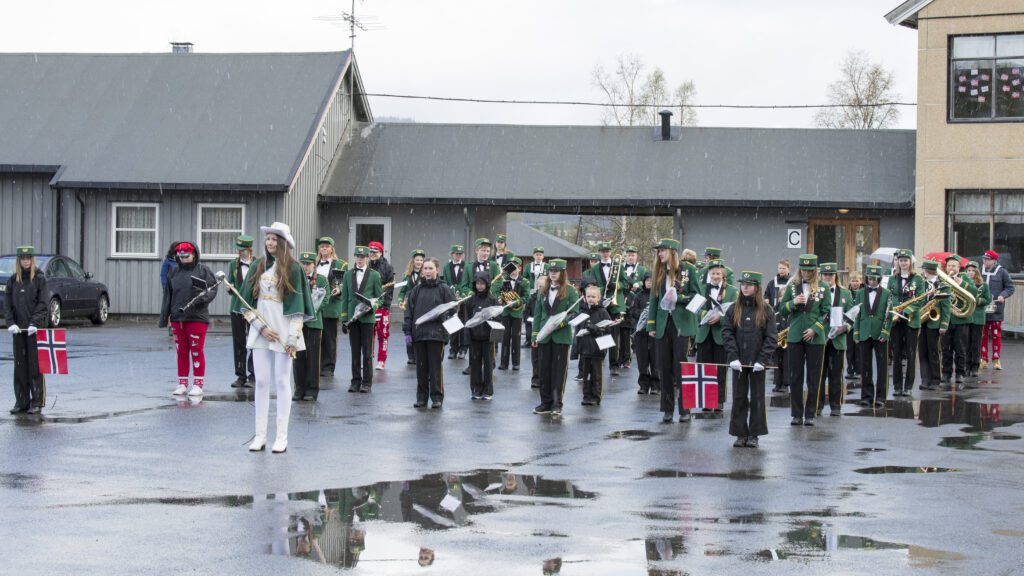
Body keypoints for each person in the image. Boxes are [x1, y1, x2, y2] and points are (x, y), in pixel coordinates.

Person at [239, 222, 316, 453]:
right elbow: (244, 305)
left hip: (284, 333)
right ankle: (260, 435)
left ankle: (281, 436)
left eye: (274, 239)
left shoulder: (293, 269)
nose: (270, 242)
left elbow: (298, 309)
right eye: (268, 238)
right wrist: (261, 328)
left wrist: (291, 338)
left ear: (283, 243)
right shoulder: (258, 265)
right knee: (261, 381)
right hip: (261, 331)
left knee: (282, 382)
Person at [646, 239, 702, 423]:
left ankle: (685, 409)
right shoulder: (658, 272)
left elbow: (698, 295)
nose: (660, 254)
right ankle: (667, 409)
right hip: (663, 323)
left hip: (681, 324)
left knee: (682, 367)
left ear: (672, 252)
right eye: (658, 251)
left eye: (663, 251)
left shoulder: (689, 270)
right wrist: (651, 325)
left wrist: (680, 297)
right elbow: (654, 300)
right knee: (664, 367)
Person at [722, 271, 776, 448]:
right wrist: (733, 357)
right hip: (739, 361)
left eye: (749, 284)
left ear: (757, 287)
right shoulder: (733, 308)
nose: (745, 287)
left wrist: (763, 360)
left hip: (757, 362)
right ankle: (740, 433)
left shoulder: (766, 310)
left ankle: (754, 434)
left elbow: (771, 337)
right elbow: (727, 333)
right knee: (739, 397)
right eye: (743, 284)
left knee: (757, 397)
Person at [158, 241, 218, 397]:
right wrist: (166, 317)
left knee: (196, 350)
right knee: (181, 351)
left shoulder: (203, 270)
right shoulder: (173, 272)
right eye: (181, 256)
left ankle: (198, 383)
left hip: (197, 317)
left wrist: (202, 299)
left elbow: (212, 289)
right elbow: (168, 296)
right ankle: (182, 383)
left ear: (194, 255)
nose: (184, 259)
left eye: (187, 256)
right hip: (178, 317)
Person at [778, 254, 827, 426]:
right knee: (795, 376)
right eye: (803, 270)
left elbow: (826, 312)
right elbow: (781, 309)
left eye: (809, 270)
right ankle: (796, 414)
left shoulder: (823, 287)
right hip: (795, 335)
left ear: (814, 270)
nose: (806, 273)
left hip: (815, 337)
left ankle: (810, 414)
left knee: (814, 377)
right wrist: (792, 303)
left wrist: (816, 329)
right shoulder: (792, 285)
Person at [531, 259, 580, 416]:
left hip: (561, 335)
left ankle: (556, 403)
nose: (553, 273)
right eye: (551, 271)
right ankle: (545, 402)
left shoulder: (571, 291)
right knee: (544, 370)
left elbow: (574, 312)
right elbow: (538, 314)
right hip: (544, 336)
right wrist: (535, 334)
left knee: (558, 372)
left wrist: (560, 324)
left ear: (562, 272)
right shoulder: (542, 290)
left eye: (556, 271)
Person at [404, 258, 455, 408]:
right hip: (419, 335)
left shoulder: (443, 288)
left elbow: (453, 309)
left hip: (436, 335)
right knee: (421, 368)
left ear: (437, 270)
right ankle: (421, 397)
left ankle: (436, 397)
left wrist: (443, 316)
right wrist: (407, 331)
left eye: (430, 268)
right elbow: (409, 312)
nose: (427, 271)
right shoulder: (416, 290)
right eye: (425, 268)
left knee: (435, 368)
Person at [5, 246, 49, 414]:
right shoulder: (12, 281)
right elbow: (7, 305)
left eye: (28, 258)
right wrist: (10, 323)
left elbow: (43, 303)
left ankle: (37, 401)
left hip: (33, 331)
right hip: (18, 330)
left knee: (35, 366)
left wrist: (34, 323)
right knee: (20, 366)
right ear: (19, 260)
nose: (25, 261)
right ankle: (21, 402)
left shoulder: (39, 279)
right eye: (22, 258)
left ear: (32, 260)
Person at [340, 246, 384, 393]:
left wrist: (374, 305)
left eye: (363, 257)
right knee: (354, 351)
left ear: (367, 258)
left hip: (367, 318)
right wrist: (344, 318)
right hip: (353, 318)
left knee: (367, 352)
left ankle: (366, 382)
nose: (360, 259)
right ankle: (355, 381)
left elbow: (380, 298)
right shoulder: (347, 275)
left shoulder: (374, 275)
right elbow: (345, 297)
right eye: (357, 256)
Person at [695, 259, 737, 412]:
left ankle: (719, 400)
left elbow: (735, 313)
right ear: (709, 274)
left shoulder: (732, 291)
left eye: (718, 273)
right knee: (705, 368)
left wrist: (720, 318)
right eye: (713, 273)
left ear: (723, 275)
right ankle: (706, 400)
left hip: (721, 334)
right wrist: (705, 315)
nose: (715, 276)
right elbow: (695, 309)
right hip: (704, 333)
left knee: (720, 368)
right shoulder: (700, 288)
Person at [883, 249, 925, 396]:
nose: (903, 263)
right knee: (896, 355)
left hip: (911, 321)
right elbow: (890, 296)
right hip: (896, 321)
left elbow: (920, 298)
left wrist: (906, 310)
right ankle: (897, 386)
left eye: (906, 260)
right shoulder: (892, 279)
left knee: (911, 354)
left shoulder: (918, 279)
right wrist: (897, 309)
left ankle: (908, 386)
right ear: (898, 262)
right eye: (901, 261)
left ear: (910, 262)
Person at [818, 262, 853, 417]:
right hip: (819, 337)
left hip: (838, 339)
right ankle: (816, 405)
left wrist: (845, 328)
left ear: (835, 276)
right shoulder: (816, 291)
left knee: (836, 374)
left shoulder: (845, 293)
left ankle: (836, 405)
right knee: (818, 373)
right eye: (825, 275)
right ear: (821, 276)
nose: (828, 277)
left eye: (830, 275)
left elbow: (852, 316)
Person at [852, 265, 890, 407]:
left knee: (882, 367)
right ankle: (866, 396)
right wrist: (856, 332)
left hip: (879, 333)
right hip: (864, 332)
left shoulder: (886, 293)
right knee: (865, 366)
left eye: (874, 279)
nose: (872, 281)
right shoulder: (860, 293)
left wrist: (885, 332)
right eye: (869, 278)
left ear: (879, 279)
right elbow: (856, 313)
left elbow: (889, 315)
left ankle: (881, 397)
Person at [294, 251, 329, 401]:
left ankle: (312, 389)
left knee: (313, 357)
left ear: (314, 265)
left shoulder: (321, 280)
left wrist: (313, 309)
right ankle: (299, 388)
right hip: (298, 323)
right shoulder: (295, 278)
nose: (306, 266)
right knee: (298, 356)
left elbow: (326, 298)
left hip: (314, 323)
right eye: (303, 263)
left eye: (308, 264)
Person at [941, 255, 978, 388]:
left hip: (961, 319)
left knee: (960, 348)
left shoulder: (965, 277)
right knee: (946, 348)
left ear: (959, 267)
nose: (951, 268)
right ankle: (946, 373)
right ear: (946, 267)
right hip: (946, 318)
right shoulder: (942, 278)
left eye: (954, 265)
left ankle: (960, 374)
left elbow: (974, 291)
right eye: (949, 265)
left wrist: (961, 283)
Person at [227, 235, 258, 388]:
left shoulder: (259, 263)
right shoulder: (233, 264)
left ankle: (253, 375)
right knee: (239, 342)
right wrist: (229, 287)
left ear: (249, 249)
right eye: (238, 250)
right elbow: (231, 282)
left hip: (253, 308)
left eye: (243, 250)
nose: (239, 253)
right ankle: (240, 375)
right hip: (236, 307)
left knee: (253, 342)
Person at [315, 237, 348, 378]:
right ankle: (316, 364)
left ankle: (328, 367)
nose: (324, 249)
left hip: (331, 305)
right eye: (322, 246)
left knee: (329, 338)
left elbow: (344, 282)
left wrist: (339, 289)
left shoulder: (340, 265)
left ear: (332, 249)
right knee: (316, 337)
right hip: (315, 306)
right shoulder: (313, 263)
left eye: (327, 247)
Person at [917, 260, 950, 391]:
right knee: (922, 351)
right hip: (921, 321)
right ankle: (925, 379)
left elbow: (946, 307)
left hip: (935, 322)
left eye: (924, 269)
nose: (923, 272)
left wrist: (944, 324)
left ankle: (935, 380)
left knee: (934, 352)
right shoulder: (921, 284)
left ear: (927, 270)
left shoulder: (942, 285)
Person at [578, 285, 613, 406]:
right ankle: (586, 395)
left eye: (593, 296)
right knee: (585, 373)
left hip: (598, 347)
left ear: (598, 298)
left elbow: (608, 329)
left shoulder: (602, 312)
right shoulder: (582, 311)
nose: (591, 299)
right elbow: (579, 327)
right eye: (588, 296)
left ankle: (596, 396)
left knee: (596, 373)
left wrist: (596, 329)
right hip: (585, 347)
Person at [466, 271, 499, 400]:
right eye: (477, 283)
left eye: (482, 283)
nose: (480, 286)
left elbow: (498, 318)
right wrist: (467, 336)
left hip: (488, 338)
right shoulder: (470, 300)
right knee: (475, 365)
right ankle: (476, 389)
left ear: (487, 284)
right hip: (474, 337)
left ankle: (488, 391)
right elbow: (467, 319)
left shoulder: (492, 300)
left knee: (488, 365)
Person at [981, 249, 1015, 371]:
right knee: (982, 335)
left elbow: (1010, 287)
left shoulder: (1002, 272)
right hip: (982, 308)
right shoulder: (980, 271)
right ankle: (983, 359)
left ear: (994, 261)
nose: (985, 261)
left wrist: (1003, 295)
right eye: (984, 259)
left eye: (987, 259)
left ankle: (996, 359)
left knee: (996, 335)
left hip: (996, 309)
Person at [495, 257, 529, 371]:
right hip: (506, 312)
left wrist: (515, 302)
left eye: (516, 268)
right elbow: (500, 292)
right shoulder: (505, 279)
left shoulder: (524, 281)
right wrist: (500, 298)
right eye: (511, 267)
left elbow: (526, 297)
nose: (513, 270)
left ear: (519, 268)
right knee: (505, 337)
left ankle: (516, 363)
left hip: (517, 313)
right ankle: (504, 363)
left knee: (516, 337)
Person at [763, 259, 791, 394]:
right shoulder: (772, 282)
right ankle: (777, 382)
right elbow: (766, 296)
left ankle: (785, 383)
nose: (781, 271)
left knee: (786, 358)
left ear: (788, 269)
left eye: (784, 268)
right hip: (776, 321)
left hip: (787, 324)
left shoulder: (793, 283)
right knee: (776, 356)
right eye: (780, 268)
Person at [618, 246, 648, 370]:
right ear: (626, 256)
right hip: (623, 300)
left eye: (633, 255)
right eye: (629, 255)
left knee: (634, 326)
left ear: (636, 256)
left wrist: (639, 284)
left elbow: (646, 280)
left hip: (637, 300)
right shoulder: (620, 268)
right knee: (622, 330)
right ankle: (620, 357)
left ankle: (630, 355)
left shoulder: (642, 269)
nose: (631, 257)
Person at [630, 272, 658, 394]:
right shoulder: (638, 296)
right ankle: (643, 385)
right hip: (641, 332)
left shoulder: (658, 295)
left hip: (654, 331)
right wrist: (644, 313)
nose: (649, 282)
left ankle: (656, 385)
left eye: (651, 280)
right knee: (642, 360)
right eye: (647, 280)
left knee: (655, 359)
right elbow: (632, 311)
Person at [367, 241, 394, 370]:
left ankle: (381, 360)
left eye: (375, 252)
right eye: (370, 252)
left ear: (381, 252)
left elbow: (390, 289)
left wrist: (385, 305)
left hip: (382, 306)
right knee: (368, 334)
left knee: (382, 333)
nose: (372, 254)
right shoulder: (365, 265)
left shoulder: (388, 267)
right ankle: (368, 359)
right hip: (367, 305)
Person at [964, 261, 992, 382]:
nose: (970, 272)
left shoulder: (983, 285)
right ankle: (966, 365)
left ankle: (975, 367)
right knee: (965, 343)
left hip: (978, 317)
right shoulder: (963, 284)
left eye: (972, 270)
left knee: (976, 343)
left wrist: (975, 300)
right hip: (966, 316)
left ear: (977, 272)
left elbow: (987, 300)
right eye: (968, 270)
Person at [398, 249, 426, 365]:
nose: (419, 262)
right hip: (408, 307)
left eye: (421, 260)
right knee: (408, 330)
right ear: (413, 261)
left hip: (421, 306)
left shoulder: (425, 275)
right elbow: (402, 292)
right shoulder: (407, 276)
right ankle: (410, 355)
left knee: (419, 330)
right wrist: (400, 301)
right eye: (417, 260)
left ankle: (419, 354)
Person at [442, 244, 468, 359]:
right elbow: (446, 282)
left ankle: (463, 348)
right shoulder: (446, 267)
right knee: (453, 323)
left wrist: (462, 295)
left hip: (464, 299)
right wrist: (451, 295)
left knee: (463, 324)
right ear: (452, 254)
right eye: (456, 254)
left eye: (460, 254)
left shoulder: (467, 265)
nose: (458, 256)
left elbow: (466, 282)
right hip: (452, 299)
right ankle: (453, 349)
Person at [526, 275, 547, 389]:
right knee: (535, 358)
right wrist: (530, 320)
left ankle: (544, 378)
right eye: (539, 286)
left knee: (544, 357)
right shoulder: (532, 298)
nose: (540, 288)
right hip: (534, 329)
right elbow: (526, 314)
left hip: (545, 329)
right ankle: (536, 378)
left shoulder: (549, 297)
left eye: (542, 286)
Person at [845, 271, 864, 383]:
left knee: (859, 348)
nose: (855, 283)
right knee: (850, 348)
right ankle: (850, 369)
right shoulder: (847, 293)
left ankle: (859, 370)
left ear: (860, 281)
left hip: (859, 324)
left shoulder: (863, 292)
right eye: (853, 280)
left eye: (857, 280)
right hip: (849, 324)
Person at [160, 240, 179, 336]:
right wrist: (164, 286)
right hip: (170, 287)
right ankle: (171, 326)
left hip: (180, 287)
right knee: (170, 307)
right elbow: (163, 274)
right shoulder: (168, 261)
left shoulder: (182, 259)